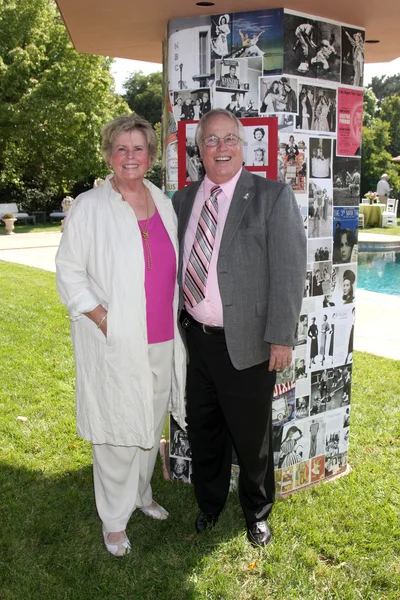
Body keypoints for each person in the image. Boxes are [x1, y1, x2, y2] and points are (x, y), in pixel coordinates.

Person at [172, 108, 306, 547]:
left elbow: (289, 271)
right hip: (197, 340)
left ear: (243, 146)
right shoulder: (183, 200)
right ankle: (209, 505)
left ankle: (257, 511)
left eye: (230, 138)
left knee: (252, 437)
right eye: (211, 140)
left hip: (248, 343)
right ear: (199, 150)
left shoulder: (271, 196)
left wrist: (281, 337)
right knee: (205, 429)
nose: (221, 147)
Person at [55, 114, 186, 557]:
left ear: (150, 155)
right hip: (114, 338)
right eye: (121, 149)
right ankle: (113, 520)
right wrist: (102, 318)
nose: (131, 157)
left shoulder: (160, 199)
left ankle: (141, 494)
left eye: (139, 149)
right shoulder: (91, 207)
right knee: (115, 430)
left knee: (149, 423)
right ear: (109, 154)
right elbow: (70, 271)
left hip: (161, 336)